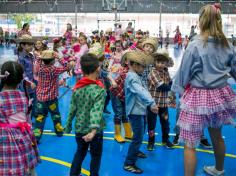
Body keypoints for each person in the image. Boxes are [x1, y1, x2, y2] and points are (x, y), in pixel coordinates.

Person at [171, 3, 236, 176]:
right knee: (217, 135)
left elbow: (184, 73)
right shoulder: (228, 45)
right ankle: (219, 169)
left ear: (201, 21)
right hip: (221, 95)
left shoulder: (195, 45)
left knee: (190, 143)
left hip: (198, 96)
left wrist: (176, 91)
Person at [64, 53, 106, 176]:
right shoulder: (98, 90)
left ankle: (73, 174)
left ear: (82, 70)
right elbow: (96, 112)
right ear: (98, 68)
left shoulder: (77, 87)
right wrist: (93, 131)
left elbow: (72, 109)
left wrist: (68, 125)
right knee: (96, 155)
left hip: (80, 128)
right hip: (95, 132)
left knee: (80, 152)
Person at [0, 61, 40, 176]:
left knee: (8, 166)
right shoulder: (23, 96)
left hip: (5, 140)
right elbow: (26, 116)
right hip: (23, 135)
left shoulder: (1, 98)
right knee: (26, 164)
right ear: (20, 79)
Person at [123, 51, 159, 174]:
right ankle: (129, 163)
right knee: (138, 137)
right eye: (142, 66)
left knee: (140, 133)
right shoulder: (132, 77)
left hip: (140, 110)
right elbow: (140, 91)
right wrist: (151, 103)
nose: (144, 69)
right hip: (135, 112)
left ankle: (136, 150)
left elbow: (143, 89)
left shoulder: (136, 75)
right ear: (133, 65)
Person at [33, 50, 72, 143]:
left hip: (40, 99)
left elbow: (37, 63)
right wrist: (59, 57)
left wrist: (39, 57)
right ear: (53, 61)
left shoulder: (39, 68)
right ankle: (59, 132)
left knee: (40, 118)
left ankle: (36, 138)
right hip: (52, 99)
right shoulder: (54, 69)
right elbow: (67, 67)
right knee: (55, 115)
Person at [147, 49, 174, 150]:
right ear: (155, 62)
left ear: (166, 63)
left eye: (163, 63)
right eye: (158, 62)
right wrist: (172, 86)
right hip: (153, 105)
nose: (160, 65)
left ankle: (165, 140)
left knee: (165, 123)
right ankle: (151, 141)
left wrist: (171, 84)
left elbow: (170, 82)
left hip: (163, 105)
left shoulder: (166, 73)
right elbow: (162, 86)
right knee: (151, 124)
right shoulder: (152, 73)